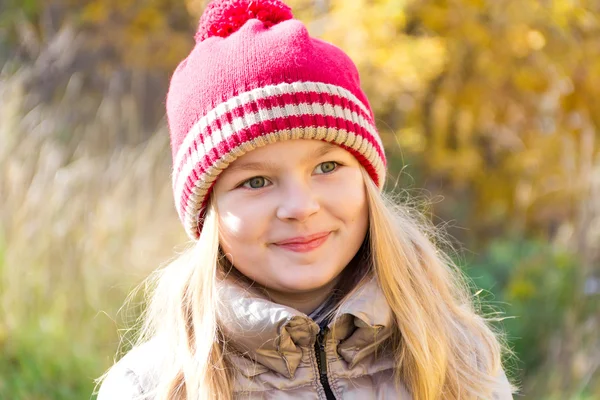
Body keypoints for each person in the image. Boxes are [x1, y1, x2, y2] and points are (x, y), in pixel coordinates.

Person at [97, 0, 517, 398]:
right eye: (257, 182)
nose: (301, 207)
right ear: (208, 212)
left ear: (366, 182)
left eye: (327, 167)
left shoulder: (457, 359)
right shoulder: (154, 387)